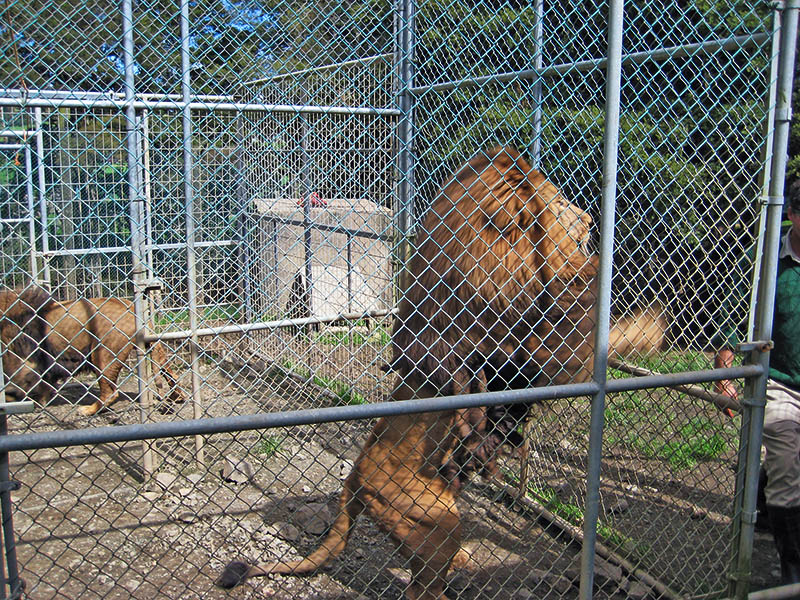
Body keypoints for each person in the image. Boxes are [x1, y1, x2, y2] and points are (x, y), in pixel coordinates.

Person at [715, 178, 800, 586]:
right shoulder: (768, 258)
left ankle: (765, 502)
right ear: (792, 215)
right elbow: (736, 319)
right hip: (780, 381)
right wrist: (726, 374)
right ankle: (792, 568)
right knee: (786, 461)